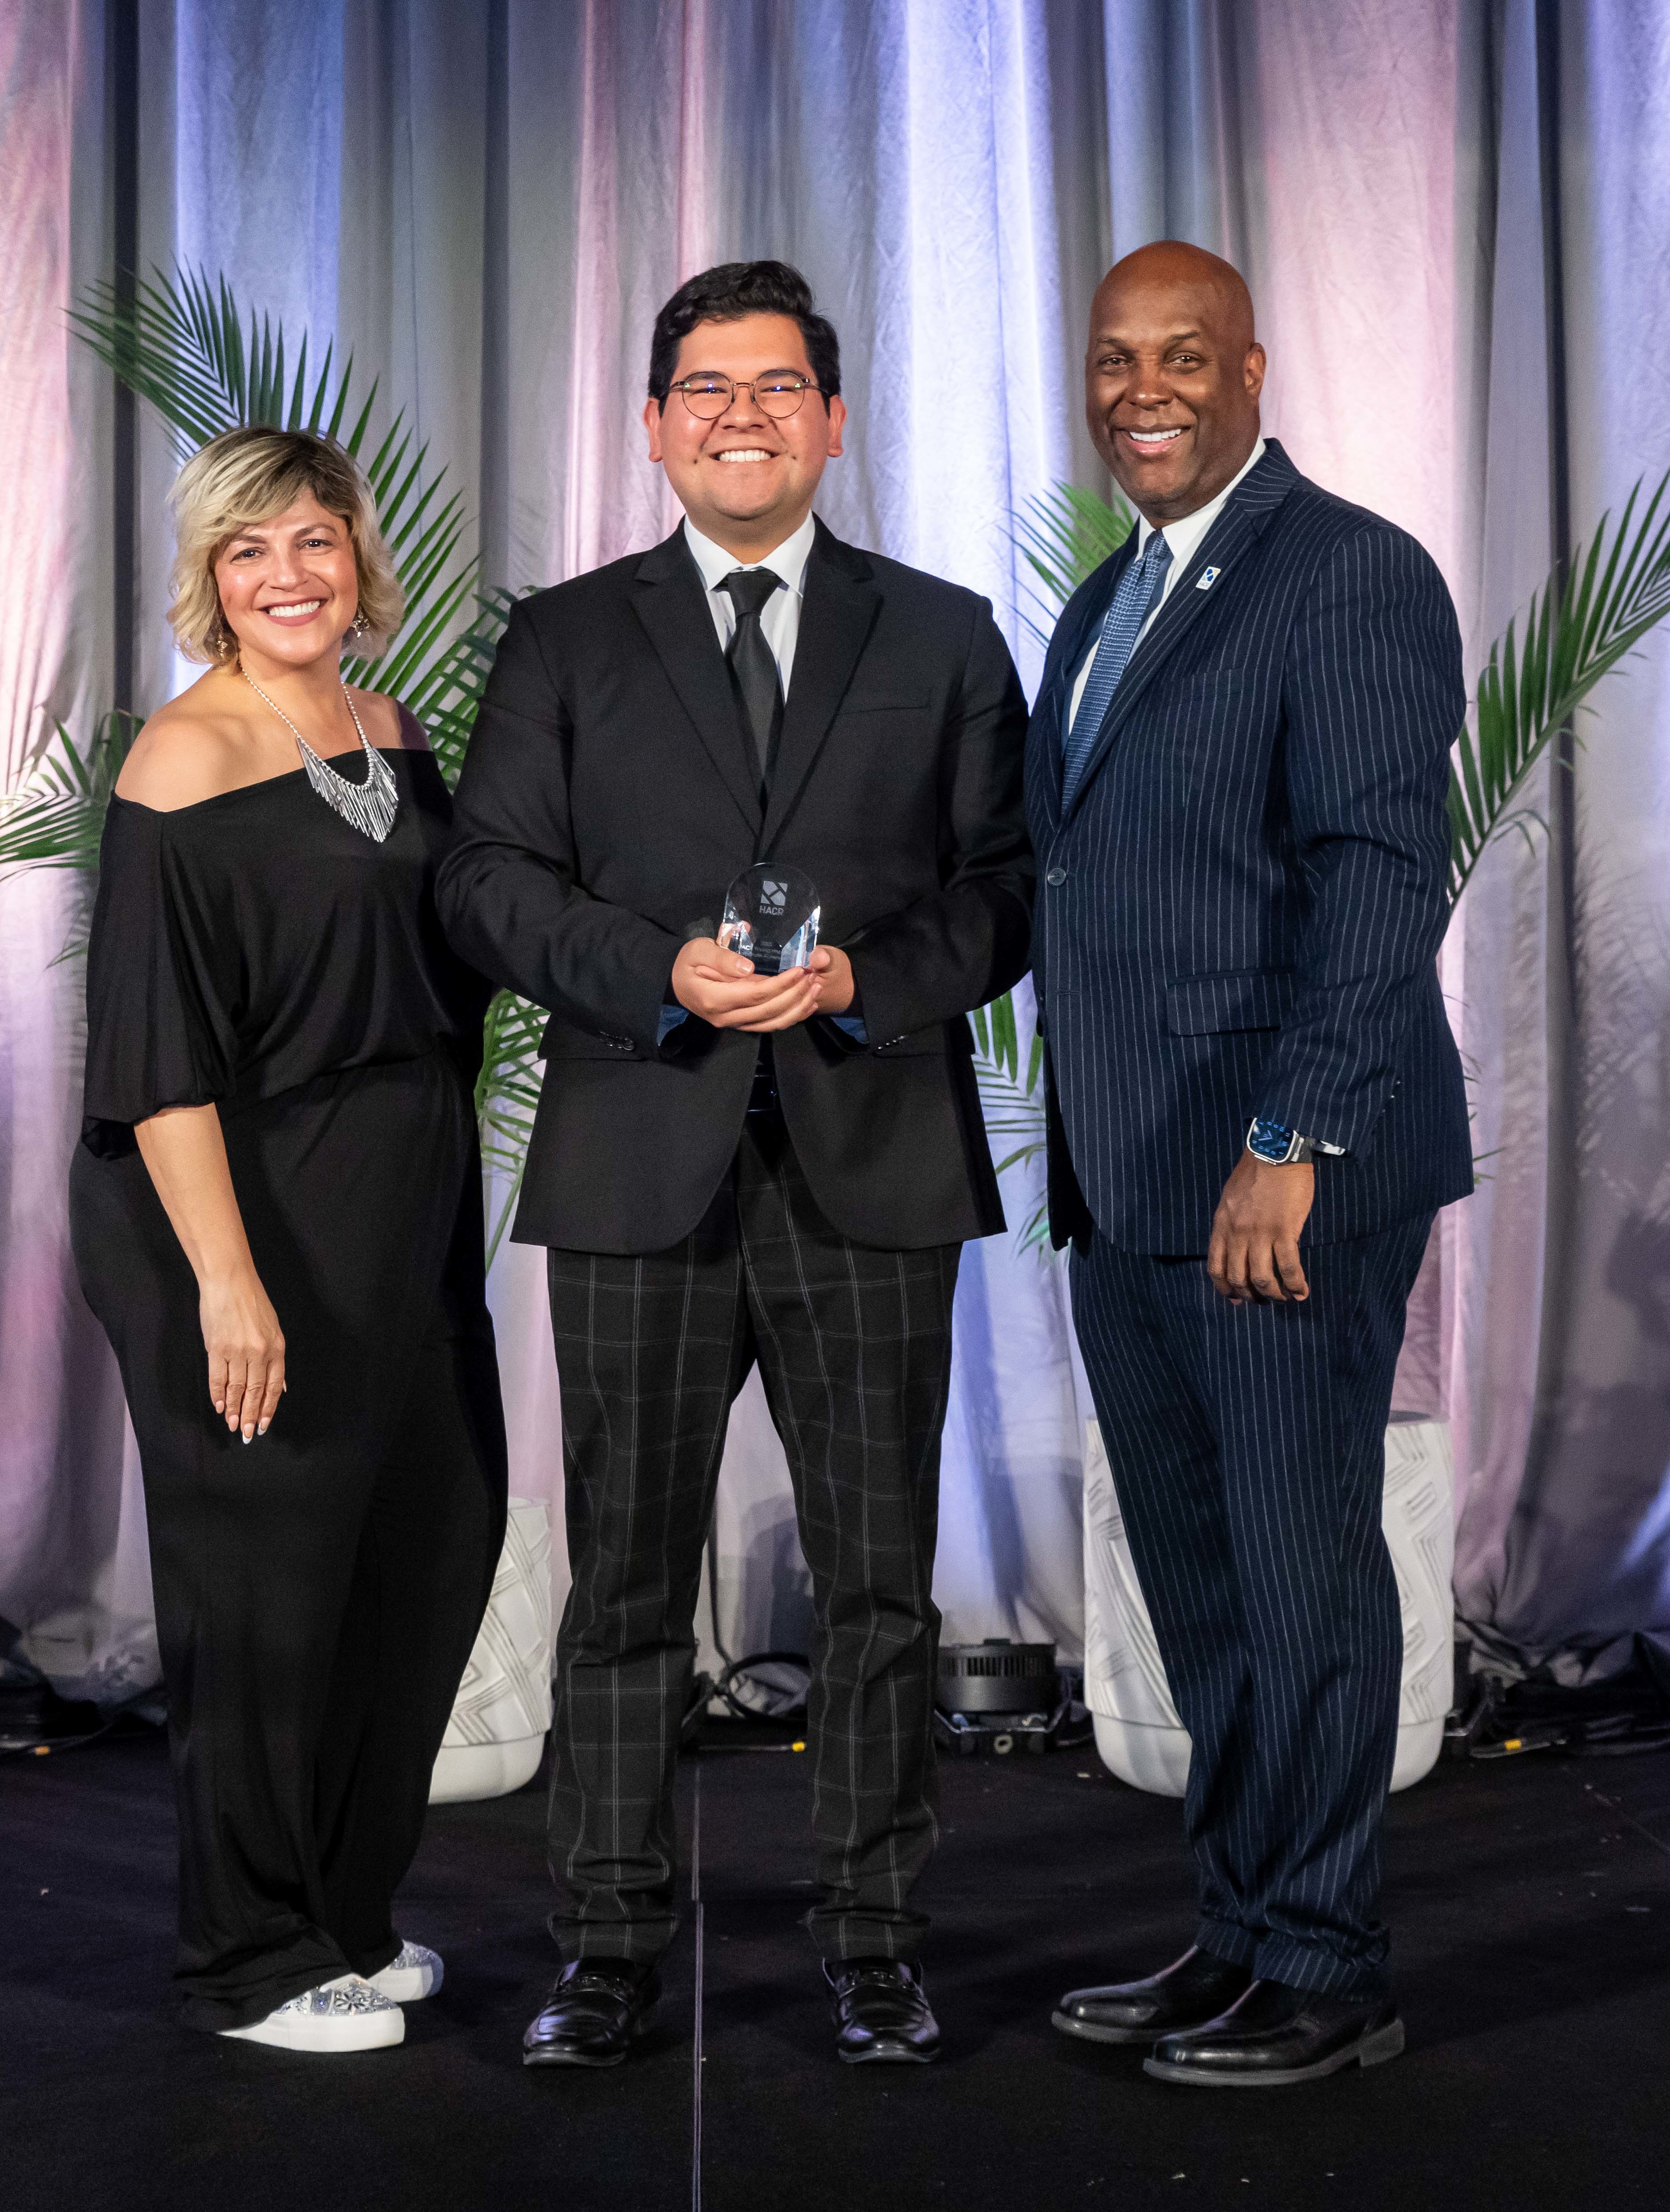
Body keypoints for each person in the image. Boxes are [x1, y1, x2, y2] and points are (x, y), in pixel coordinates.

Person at [438, 260, 1030, 2070]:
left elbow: (1004, 889)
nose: (743, 415)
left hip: (873, 1163)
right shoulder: (564, 640)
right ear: (652, 423)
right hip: (640, 1159)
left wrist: (866, 980)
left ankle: (871, 1937)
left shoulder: (938, 636)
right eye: (706, 387)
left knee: (875, 1589)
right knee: (623, 1584)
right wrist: (654, 972)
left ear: (835, 420)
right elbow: (487, 879)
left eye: (779, 386)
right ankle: (609, 1942)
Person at [1029, 242, 1472, 2087]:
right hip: (1128, 1177)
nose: (1149, 388)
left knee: (1299, 1576)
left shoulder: (1349, 573)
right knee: (1205, 1583)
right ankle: (1239, 1926)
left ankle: (1330, 1962)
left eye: (1186, 356)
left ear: (1255, 369)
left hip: (1277, 1179)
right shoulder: (1104, 603)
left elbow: (1381, 878)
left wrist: (1294, 1135)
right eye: (1121, 358)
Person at [69, 426, 506, 2055]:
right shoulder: (180, 762)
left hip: (396, 1196)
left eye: (314, 541)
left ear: (355, 555)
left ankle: (342, 1915)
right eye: (250, 552)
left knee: (425, 1545)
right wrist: (228, 1279)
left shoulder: (385, 727)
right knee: (262, 1589)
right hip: (234, 1205)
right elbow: (156, 1050)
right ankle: (244, 1960)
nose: (288, 576)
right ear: (208, 578)